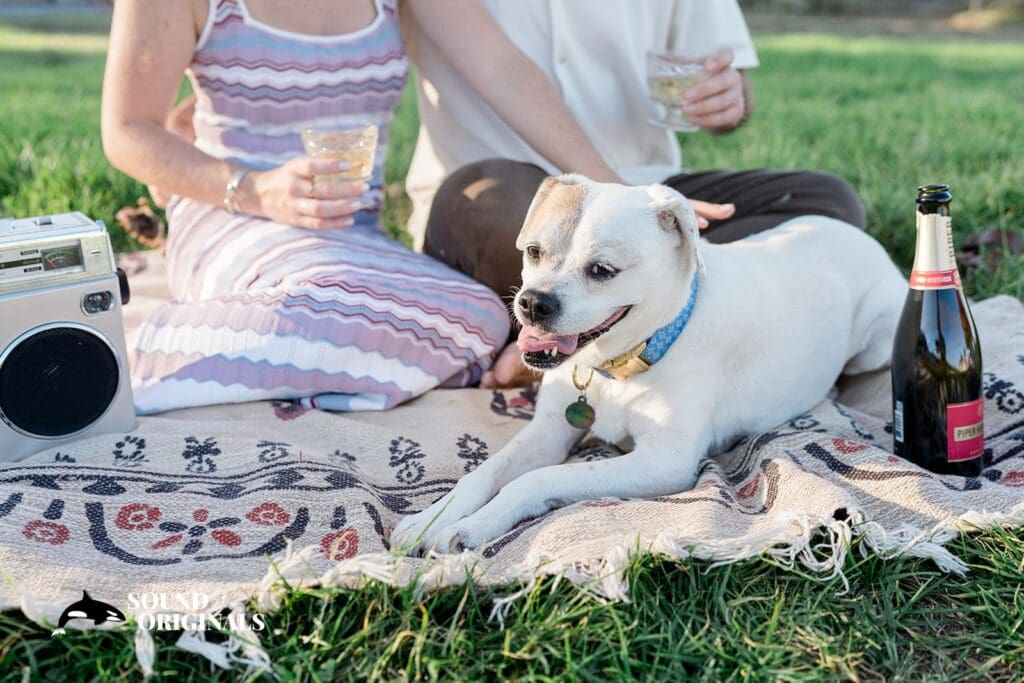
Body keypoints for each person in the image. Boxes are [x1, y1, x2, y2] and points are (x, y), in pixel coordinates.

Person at [101, 0, 622, 414]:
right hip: (232, 212)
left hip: (354, 236)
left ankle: (296, 366)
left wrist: (612, 191)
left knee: (483, 318)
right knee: (332, 300)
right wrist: (257, 189)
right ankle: (141, 358)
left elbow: (501, 68)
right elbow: (127, 132)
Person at [405, 0, 867, 387]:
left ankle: (602, 336)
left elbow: (724, 73)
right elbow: (499, 68)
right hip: (509, 196)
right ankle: (647, 332)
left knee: (827, 205)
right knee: (482, 196)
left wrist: (729, 99)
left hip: (647, 190)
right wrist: (618, 194)